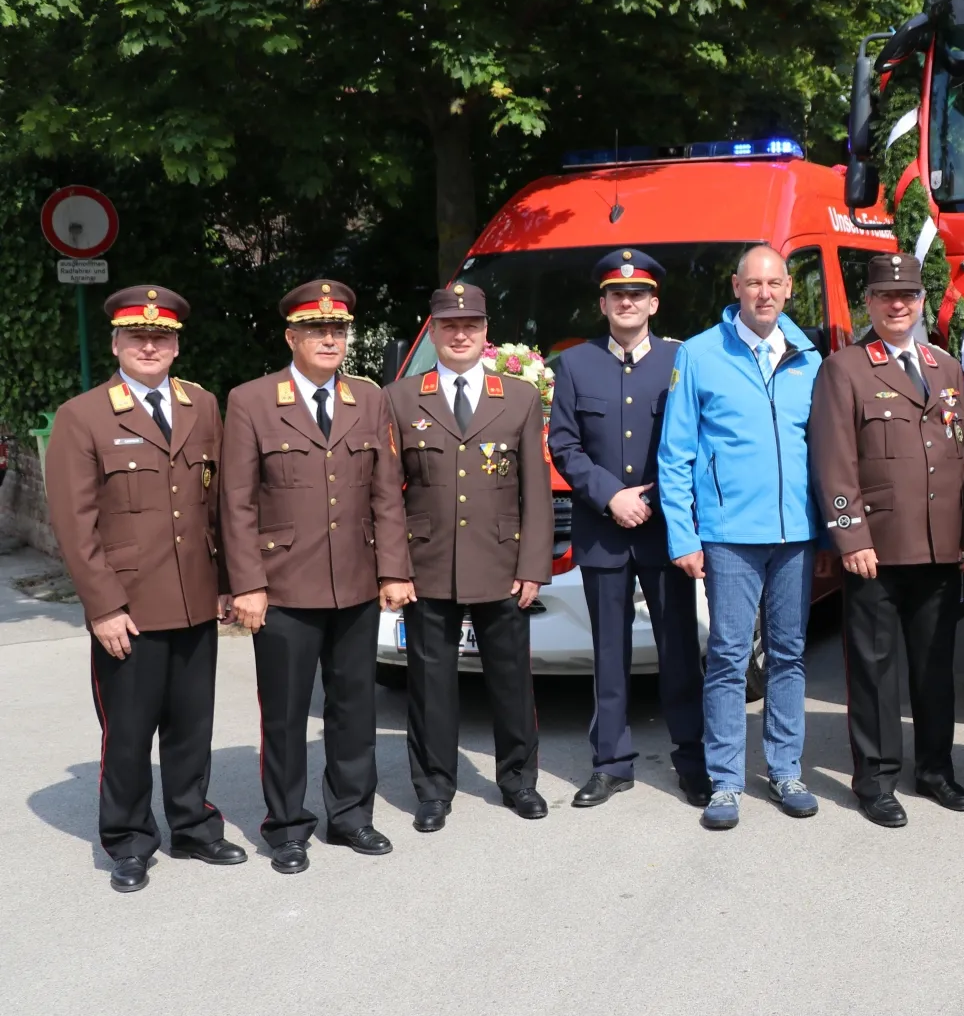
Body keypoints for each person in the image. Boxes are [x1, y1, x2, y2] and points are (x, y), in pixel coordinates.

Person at [44, 286, 246, 892]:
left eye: (161, 337)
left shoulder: (201, 405)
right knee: (129, 734)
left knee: (191, 726)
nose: (150, 346)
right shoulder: (83, 415)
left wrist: (228, 584)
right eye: (138, 337)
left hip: (195, 598)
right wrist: (102, 607)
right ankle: (128, 841)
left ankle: (193, 826)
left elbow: (217, 503)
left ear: (176, 346)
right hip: (129, 606)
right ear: (116, 344)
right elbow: (74, 526)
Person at [221, 280, 414, 874]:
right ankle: (286, 827)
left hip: (355, 580)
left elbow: (386, 493)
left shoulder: (369, 399)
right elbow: (236, 502)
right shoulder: (252, 400)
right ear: (291, 337)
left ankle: (351, 816)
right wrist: (247, 584)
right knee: (284, 714)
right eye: (315, 330)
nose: (329, 339)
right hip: (283, 586)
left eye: (337, 330)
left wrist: (394, 569)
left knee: (354, 707)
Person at [657, 245, 824, 831]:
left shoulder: (810, 357)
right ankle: (725, 781)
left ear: (789, 289)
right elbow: (674, 454)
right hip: (729, 535)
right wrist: (683, 535)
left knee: (789, 655)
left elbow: (826, 450)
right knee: (729, 657)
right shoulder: (700, 355)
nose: (764, 293)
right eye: (754, 283)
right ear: (736, 287)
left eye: (775, 283)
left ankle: (785, 770)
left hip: (795, 533)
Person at [809, 253, 964, 826]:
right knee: (875, 669)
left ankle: (935, 770)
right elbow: (833, 463)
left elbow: (963, 458)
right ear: (870, 303)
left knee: (934, 666)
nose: (898, 304)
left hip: (939, 546)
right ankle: (876, 779)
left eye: (907, 295)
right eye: (886, 295)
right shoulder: (845, 369)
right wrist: (851, 536)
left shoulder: (945, 367)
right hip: (875, 550)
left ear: (922, 302)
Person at [384, 282, 553, 832]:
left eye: (471, 326)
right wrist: (393, 568)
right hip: (428, 562)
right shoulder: (401, 398)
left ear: (485, 333)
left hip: (501, 562)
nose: (460, 335)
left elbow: (535, 493)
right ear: (433, 332)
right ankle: (433, 789)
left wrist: (533, 566)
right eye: (450, 326)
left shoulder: (519, 397)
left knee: (511, 679)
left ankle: (519, 780)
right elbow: (386, 493)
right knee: (430, 685)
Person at [547, 250, 709, 811]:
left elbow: (695, 441)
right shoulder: (575, 364)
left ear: (653, 303)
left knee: (679, 652)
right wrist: (610, 495)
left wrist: (653, 498)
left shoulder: (681, 360)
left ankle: (692, 759)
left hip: (666, 529)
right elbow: (564, 444)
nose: (627, 302)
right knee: (609, 654)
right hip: (604, 530)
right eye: (617, 294)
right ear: (603, 303)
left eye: (637, 294)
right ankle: (611, 764)